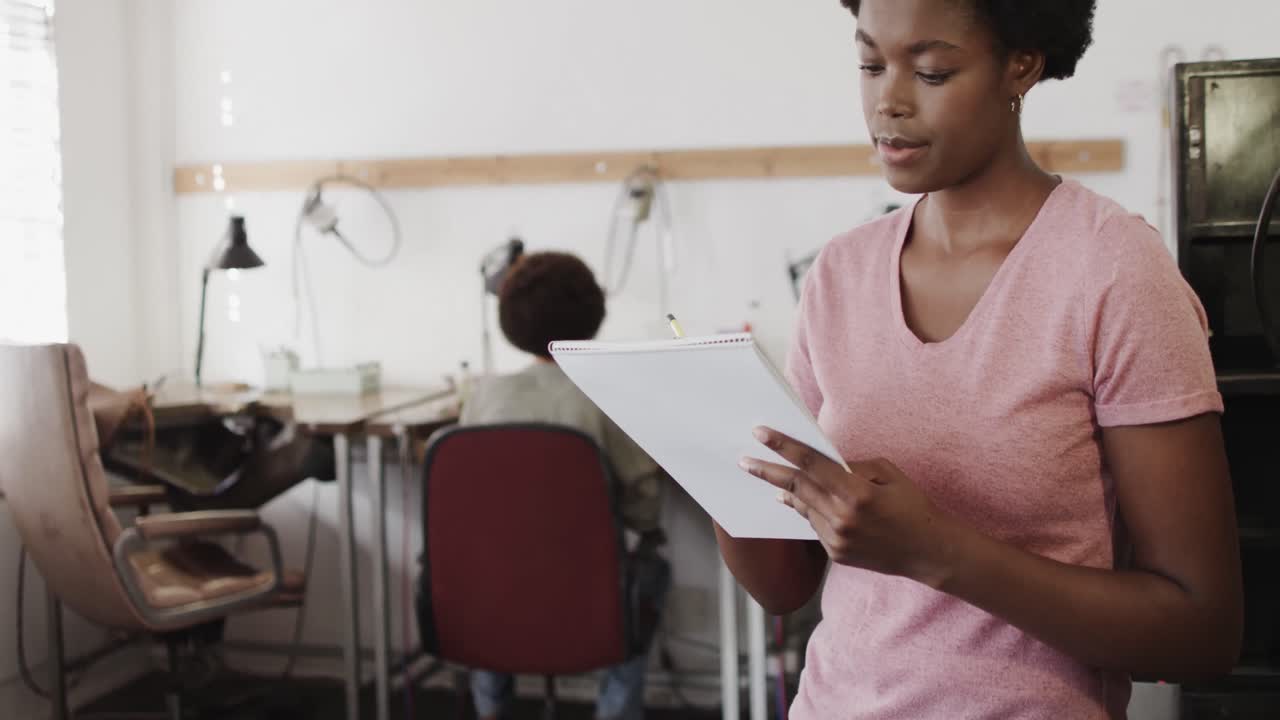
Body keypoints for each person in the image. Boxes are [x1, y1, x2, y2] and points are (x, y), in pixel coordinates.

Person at [720, 2, 1244, 718]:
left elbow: (1201, 632)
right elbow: (785, 585)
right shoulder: (841, 273)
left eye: (932, 71)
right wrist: (708, 456)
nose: (888, 101)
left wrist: (938, 551)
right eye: (870, 64)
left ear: (1020, 65)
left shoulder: (1114, 271)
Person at [461, 251, 669, 720]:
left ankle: (491, 706)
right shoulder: (605, 396)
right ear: (593, 313)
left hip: (498, 587)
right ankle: (615, 711)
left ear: (510, 319)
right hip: (587, 586)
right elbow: (643, 506)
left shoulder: (483, 396)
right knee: (650, 572)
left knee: (484, 578)